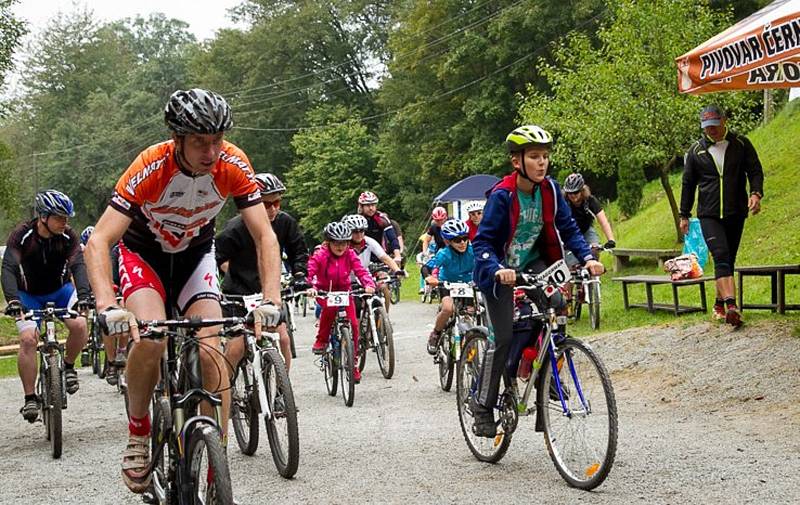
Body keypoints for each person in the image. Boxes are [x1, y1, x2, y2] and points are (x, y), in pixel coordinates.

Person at [84, 88, 282, 494]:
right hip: (145, 256)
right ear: (177, 139)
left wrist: (272, 298)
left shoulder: (233, 163)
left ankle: (216, 454)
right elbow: (98, 241)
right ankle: (139, 430)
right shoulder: (151, 165)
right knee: (152, 336)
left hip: (194, 257)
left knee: (210, 345)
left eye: (217, 141)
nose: (210, 152)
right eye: (199, 142)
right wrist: (106, 304)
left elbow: (265, 236)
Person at [471, 125, 604, 438]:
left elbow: (569, 229)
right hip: (499, 271)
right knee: (502, 337)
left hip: (535, 264)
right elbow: (483, 243)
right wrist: (498, 269)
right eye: (534, 156)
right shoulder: (503, 196)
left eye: (545, 156)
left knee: (556, 307)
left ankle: (547, 380)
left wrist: (587, 258)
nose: (542, 162)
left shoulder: (551, 190)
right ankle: (482, 405)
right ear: (517, 161)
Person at [2, 190, 91, 422]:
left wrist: (84, 296)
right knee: (28, 340)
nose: (65, 222)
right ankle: (30, 397)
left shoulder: (68, 237)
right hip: (27, 295)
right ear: (43, 216)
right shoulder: (22, 236)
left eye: (67, 218)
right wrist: (12, 300)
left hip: (61, 291)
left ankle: (69, 367)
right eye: (60, 217)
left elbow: (78, 267)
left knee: (81, 325)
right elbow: (9, 269)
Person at [680, 104, 764, 328]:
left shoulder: (741, 144)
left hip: (736, 211)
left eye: (715, 125)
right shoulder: (695, 151)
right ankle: (731, 306)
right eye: (707, 127)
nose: (711, 130)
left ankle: (718, 304)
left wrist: (756, 193)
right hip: (709, 214)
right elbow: (688, 184)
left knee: (728, 259)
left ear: (724, 121)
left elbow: (755, 170)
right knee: (721, 255)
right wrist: (684, 214)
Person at [216, 172, 308, 373]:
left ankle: (283, 388)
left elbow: (298, 251)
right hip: (238, 294)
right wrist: (233, 273)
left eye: (277, 203)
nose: (274, 208)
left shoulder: (285, 222)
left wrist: (300, 275)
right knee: (237, 347)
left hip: (267, 292)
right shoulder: (235, 228)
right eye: (267, 204)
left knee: (283, 338)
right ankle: (227, 392)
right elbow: (217, 257)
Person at [306, 222, 376, 383]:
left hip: (345, 291)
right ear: (328, 242)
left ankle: (354, 364)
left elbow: (360, 271)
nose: (340, 247)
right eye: (336, 243)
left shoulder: (350, 254)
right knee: (330, 310)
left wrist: (368, 284)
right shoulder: (321, 255)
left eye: (344, 243)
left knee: (354, 324)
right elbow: (310, 270)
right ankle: (322, 339)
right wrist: (310, 286)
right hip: (325, 291)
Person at [80, 225, 126, 386]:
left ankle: (122, 350)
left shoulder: (116, 250)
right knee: (107, 315)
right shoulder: (82, 256)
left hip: (122, 287)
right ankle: (110, 360)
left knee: (124, 310)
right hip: (101, 290)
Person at [422, 219, 475, 354]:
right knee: (448, 308)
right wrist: (429, 277)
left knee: (471, 311)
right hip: (447, 283)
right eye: (457, 240)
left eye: (465, 238)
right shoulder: (444, 253)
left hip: (467, 285)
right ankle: (436, 333)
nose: (462, 242)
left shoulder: (473, 250)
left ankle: (471, 339)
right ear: (448, 241)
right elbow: (427, 266)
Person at [342, 214, 404, 312]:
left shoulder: (369, 241)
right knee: (356, 307)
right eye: (355, 232)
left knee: (383, 287)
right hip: (346, 278)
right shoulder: (343, 245)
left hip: (364, 276)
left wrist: (397, 270)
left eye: (361, 231)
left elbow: (385, 258)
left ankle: (384, 318)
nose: (359, 234)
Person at [562, 173, 616, 267]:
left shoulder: (590, 200)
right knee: (573, 264)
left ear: (582, 191)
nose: (573, 196)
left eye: (576, 192)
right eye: (570, 193)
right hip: (569, 233)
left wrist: (611, 239)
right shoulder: (563, 201)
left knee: (594, 251)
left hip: (586, 230)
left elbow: (603, 221)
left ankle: (594, 279)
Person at [357, 191, 401, 263]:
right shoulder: (357, 220)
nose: (371, 208)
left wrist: (397, 256)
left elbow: (393, 238)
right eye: (368, 205)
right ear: (361, 206)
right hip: (361, 256)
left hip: (380, 254)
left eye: (373, 205)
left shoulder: (382, 219)